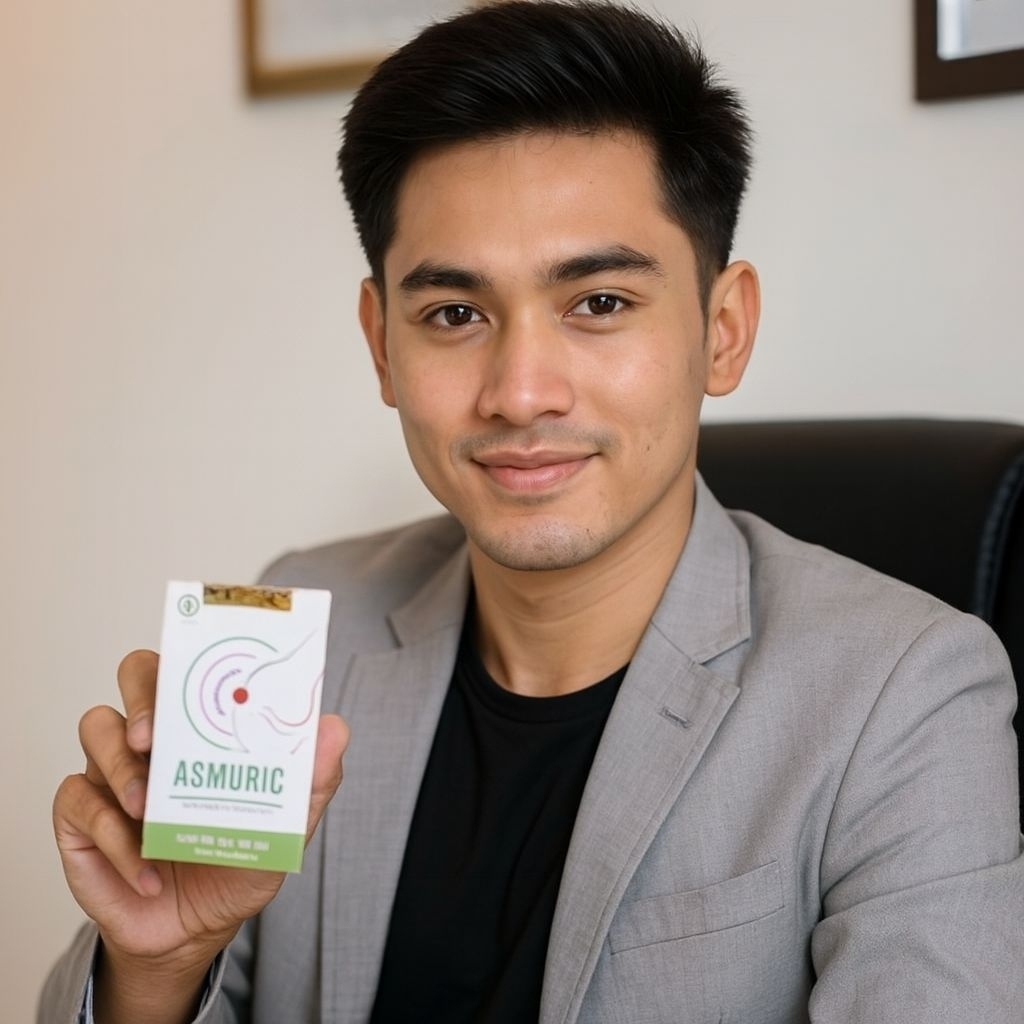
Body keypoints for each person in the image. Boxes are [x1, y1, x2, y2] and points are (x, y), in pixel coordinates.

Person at [41, 2, 1023, 1022]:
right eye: (454, 314)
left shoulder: (902, 697)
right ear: (382, 346)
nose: (519, 392)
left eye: (598, 303)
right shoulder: (305, 629)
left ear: (723, 329)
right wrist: (158, 966)